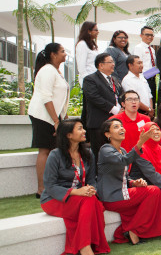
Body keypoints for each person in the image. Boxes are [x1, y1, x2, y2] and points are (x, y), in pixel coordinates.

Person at [40, 119, 110, 255]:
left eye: (83, 128)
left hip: (81, 198)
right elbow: (49, 185)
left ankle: (84, 246)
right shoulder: (55, 155)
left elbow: (91, 179)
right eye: (79, 128)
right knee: (92, 203)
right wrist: (76, 192)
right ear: (68, 135)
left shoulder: (88, 153)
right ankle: (86, 247)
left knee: (92, 201)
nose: (84, 131)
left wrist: (91, 189)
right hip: (54, 199)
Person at [97, 118, 161, 245]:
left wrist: (134, 183)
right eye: (116, 127)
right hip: (112, 196)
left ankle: (128, 231)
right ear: (108, 134)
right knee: (153, 191)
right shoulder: (105, 150)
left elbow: (124, 176)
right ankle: (134, 230)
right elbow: (124, 161)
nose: (122, 128)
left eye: (121, 126)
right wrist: (141, 142)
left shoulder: (122, 150)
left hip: (121, 193)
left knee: (150, 193)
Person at [29, 43, 70, 197]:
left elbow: (60, 97)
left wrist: (62, 117)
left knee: (53, 150)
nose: (65, 54)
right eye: (63, 51)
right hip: (43, 116)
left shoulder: (56, 71)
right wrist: (56, 121)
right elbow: (46, 96)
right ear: (53, 54)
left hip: (53, 117)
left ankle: (52, 185)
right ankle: (41, 189)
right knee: (45, 150)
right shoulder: (47, 70)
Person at [83, 53, 124, 159]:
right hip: (99, 124)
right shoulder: (90, 79)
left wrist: (122, 107)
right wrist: (115, 109)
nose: (113, 64)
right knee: (100, 155)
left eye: (113, 62)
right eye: (110, 62)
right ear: (101, 65)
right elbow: (94, 97)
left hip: (115, 122)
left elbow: (120, 95)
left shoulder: (115, 80)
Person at [133, 26, 158, 104]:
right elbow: (136, 65)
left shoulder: (152, 49)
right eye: (147, 35)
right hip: (144, 78)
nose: (150, 37)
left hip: (152, 79)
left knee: (152, 102)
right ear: (141, 35)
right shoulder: (138, 48)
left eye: (152, 35)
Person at [76, 21, 99, 86]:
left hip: (95, 79)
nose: (98, 32)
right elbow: (81, 67)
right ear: (89, 31)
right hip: (89, 81)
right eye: (96, 30)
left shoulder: (92, 45)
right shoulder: (82, 44)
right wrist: (89, 81)